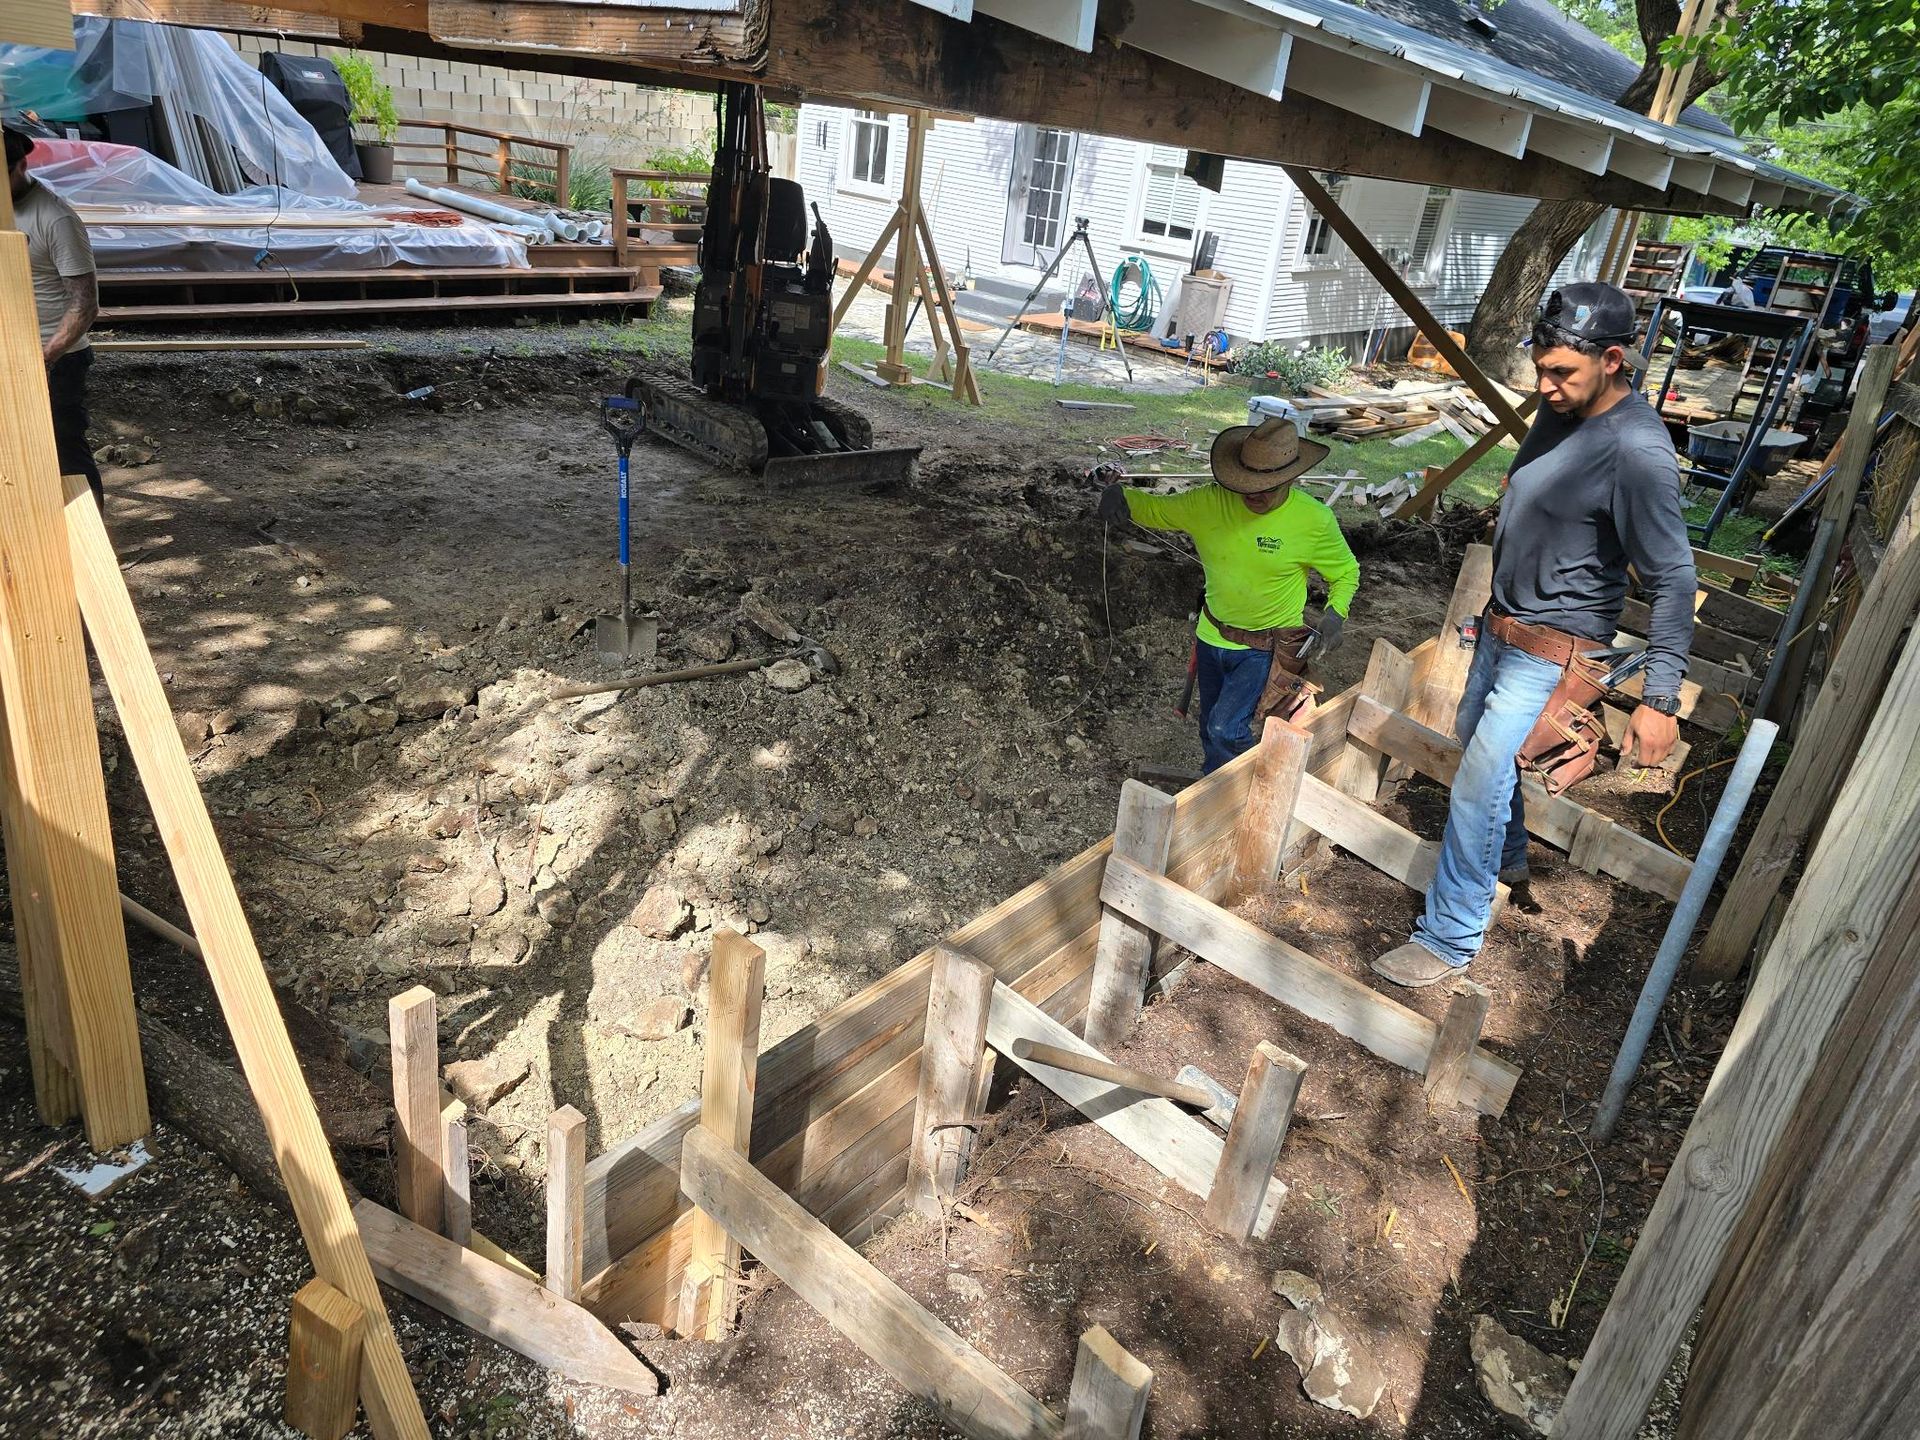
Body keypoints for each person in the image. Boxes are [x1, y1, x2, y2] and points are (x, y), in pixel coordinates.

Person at [1372, 282, 1694, 989]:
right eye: (1541, 368)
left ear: (1613, 360)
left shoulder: (1637, 453)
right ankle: (1508, 856)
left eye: (1561, 374)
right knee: (1478, 761)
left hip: (1554, 652)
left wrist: (1659, 698)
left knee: (1477, 781)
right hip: (1501, 631)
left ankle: (1450, 936)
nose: (1543, 386)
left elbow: (1673, 577)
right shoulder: (1561, 412)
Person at [1098, 416, 1360, 773]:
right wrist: (1120, 496)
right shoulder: (1209, 503)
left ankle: (1239, 787)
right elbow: (1157, 509)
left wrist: (1335, 615)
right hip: (1212, 634)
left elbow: (1345, 571)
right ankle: (1215, 779)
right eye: (1247, 484)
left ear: (1290, 477)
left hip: (1265, 646)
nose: (1254, 493)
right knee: (1210, 724)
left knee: (1226, 727)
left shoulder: (1314, 520)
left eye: (1267, 485)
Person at [7, 126, 102, 506]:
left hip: (55, 357)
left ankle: (90, 540)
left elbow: (85, 304)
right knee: (15, 446)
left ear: (19, 165)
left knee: (64, 448)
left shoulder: (54, 217)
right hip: (9, 349)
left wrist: (44, 358)